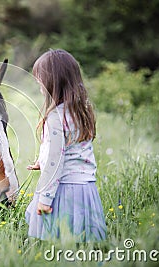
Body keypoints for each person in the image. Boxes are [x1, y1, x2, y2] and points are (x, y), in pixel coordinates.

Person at [25, 49, 106, 242]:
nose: (38, 83)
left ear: (52, 82)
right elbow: (69, 150)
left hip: (63, 189)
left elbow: (56, 162)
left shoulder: (55, 117)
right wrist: (41, 161)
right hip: (86, 189)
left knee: (59, 242)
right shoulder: (81, 112)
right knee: (82, 244)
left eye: (40, 79)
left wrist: (45, 199)